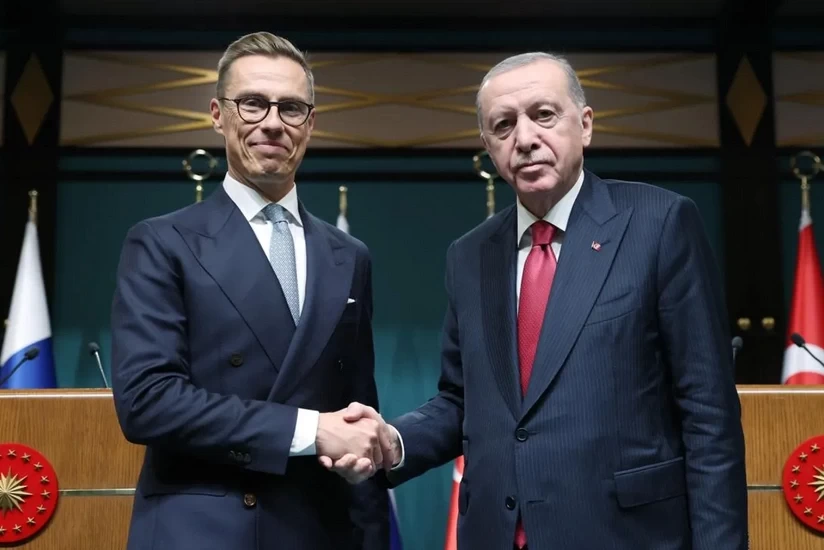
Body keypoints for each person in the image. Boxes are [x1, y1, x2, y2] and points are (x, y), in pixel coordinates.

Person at [326, 52, 749, 549]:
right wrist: (393, 442)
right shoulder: (469, 255)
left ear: (585, 125)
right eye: (503, 126)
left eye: (543, 115)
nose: (524, 139)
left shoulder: (660, 224)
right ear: (488, 146)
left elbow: (708, 415)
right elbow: (462, 399)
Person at [110, 31, 389, 550]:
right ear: (219, 114)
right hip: (203, 532)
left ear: (311, 123)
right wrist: (309, 431)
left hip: (318, 531)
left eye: (291, 108)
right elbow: (147, 402)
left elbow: (356, 411)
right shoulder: (161, 242)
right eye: (253, 103)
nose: (273, 123)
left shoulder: (349, 256)